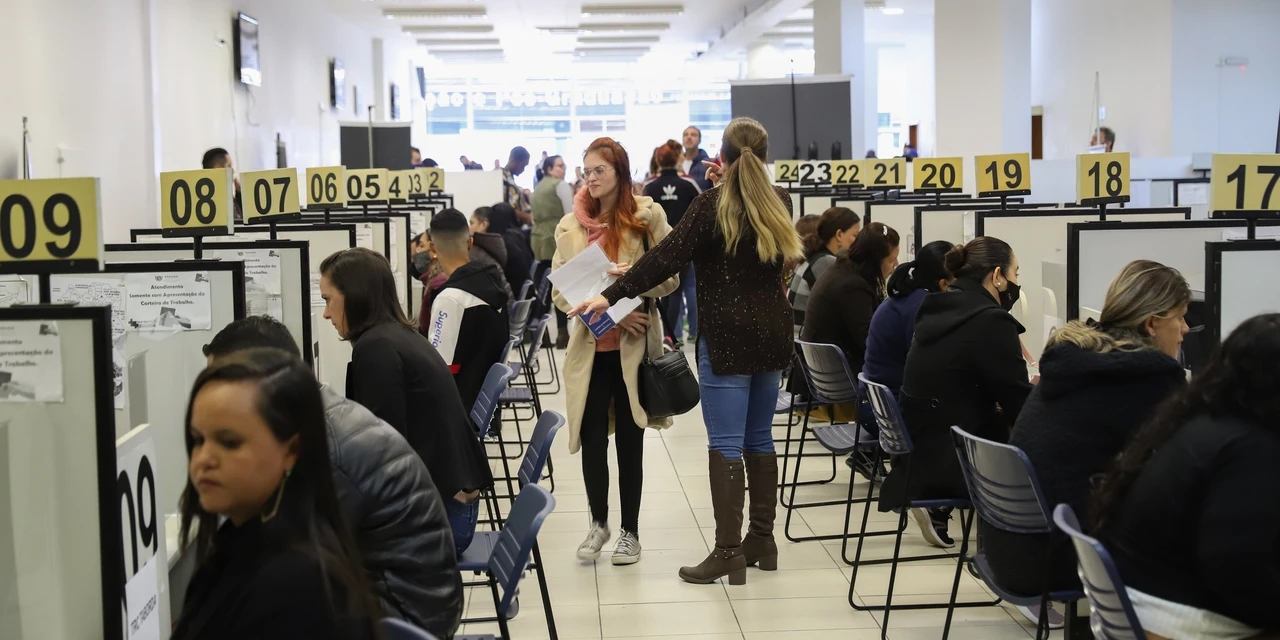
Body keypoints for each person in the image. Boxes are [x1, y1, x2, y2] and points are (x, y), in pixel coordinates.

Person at [572, 117, 804, 585]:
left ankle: (727, 552)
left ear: (719, 157)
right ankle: (762, 539)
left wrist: (610, 296)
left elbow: (665, 258)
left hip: (727, 338)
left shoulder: (710, 204)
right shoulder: (779, 199)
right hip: (775, 333)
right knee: (760, 439)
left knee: (725, 444)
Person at [202, 317, 464, 638]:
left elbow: (294, 560)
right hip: (408, 596)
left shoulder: (323, 446)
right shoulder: (315, 413)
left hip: (406, 614)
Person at [982, 260, 1190, 630]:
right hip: (1060, 559)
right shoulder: (1149, 378)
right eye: (1181, 318)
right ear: (1151, 323)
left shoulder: (1074, 360)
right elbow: (1181, 475)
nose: (1186, 330)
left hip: (1010, 546)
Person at [172, 348, 380, 639]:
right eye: (197, 440)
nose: (204, 458)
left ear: (291, 451)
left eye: (229, 442)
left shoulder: (295, 587)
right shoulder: (241, 538)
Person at [1094, 313, 1280, 639]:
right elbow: (1234, 568)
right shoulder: (1250, 447)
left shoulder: (1198, 423)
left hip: (1131, 604)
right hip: (1173, 620)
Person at [550, 137, 678, 566]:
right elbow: (560, 294)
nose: (591, 178)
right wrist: (612, 314)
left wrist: (626, 291)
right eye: (586, 170)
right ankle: (598, 523)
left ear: (620, 172)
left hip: (633, 350)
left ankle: (631, 532)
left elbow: (671, 276)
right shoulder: (569, 226)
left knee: (629, 440)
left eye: (599, 170)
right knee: (590, 439)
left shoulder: (647, 215)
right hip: (590, 347)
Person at [319, 247, 493, 555]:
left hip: (443, 523)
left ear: (355, 295)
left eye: (328, 300)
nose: (326, 313)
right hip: (450, 509)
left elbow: (384, 457)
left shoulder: (376, 350)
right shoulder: (399, 336)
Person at [878, 236, 1033, 548]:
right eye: (1016, 274)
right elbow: (1020, 404)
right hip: (955, 460)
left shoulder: (934, 306)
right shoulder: (990, 320)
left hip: (919, 452)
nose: (1017, 283)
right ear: (998, 276)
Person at [799, 222, 900, 430]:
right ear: (874, 260)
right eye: (891, 260)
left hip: (824, 374)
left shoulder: (843, 269)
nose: (896, 264)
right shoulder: (853, 286)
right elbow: (869, 343)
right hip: (839, 382)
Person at [424, 209, 510, 412]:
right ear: (470, 243)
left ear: (432, 249)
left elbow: (439, 370)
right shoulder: (491, 282)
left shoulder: (450, 298)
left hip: (456, 411)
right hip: (480, 401)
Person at [644, 140, 702, 347]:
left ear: (658, 161)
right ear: (678, 159)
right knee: (681, 289)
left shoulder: (650, 187)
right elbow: (700, 213)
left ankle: (669, 334)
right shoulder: (688, 185)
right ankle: (674, 335)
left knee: (663, 290)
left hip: (657, 247)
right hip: (683, 247)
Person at [789, 206, 861, 331]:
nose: (858, 242)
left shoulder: (815, 257)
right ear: (839, 235)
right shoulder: (826, 263)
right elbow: (847, 305)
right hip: (802, 341)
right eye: (855, 235)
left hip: (799, 337)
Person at [531, 155, 576, 348]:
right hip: (557, 237)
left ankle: (542, 335)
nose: (563, 169)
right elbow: (569, 214)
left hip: (538, 238)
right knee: (561, 288)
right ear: (550, 169)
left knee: (542, 290)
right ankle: (562, 333)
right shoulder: (560, 185)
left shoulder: (537, 188)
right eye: (560, 166)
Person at [472, 204, 533, 298]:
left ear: (484, 224)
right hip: (522, 298)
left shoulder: (498, 245)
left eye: (471, 223)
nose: (468, 228)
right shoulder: (514, 236)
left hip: (512, 300)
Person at [202, 147, 242, 222]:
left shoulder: (225, 193)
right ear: (218, 169)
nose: (232, 170)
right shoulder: (217, 198)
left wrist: (239, 195)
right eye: (229, 165)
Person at [501, 146, 533, 225]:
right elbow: (503, 206)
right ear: (513, 160)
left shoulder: (509, 178)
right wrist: (525, 217)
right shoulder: (502, 178)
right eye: (523, 165)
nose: (523, 169)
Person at [681, 125, 713, 191]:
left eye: (693, 135)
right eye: (686, 135)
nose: (689, 137)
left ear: (699, 140)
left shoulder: (707, 164)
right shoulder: (676, 164)